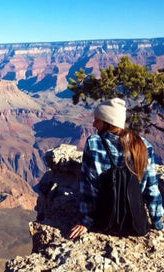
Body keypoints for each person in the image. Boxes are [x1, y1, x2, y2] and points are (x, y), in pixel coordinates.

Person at [69, 97, 163, 239]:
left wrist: (86, 222)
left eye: (97, 120)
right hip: (137, 226)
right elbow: (151, 189)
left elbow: (89, 188)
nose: (94, 124)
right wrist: (157, 223)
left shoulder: (94, 144)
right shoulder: (143, 145)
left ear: (108, 123)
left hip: (104, 223)